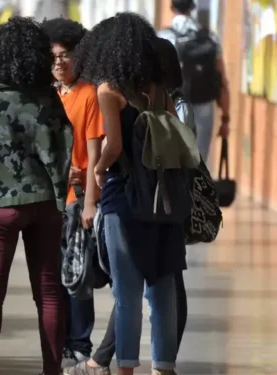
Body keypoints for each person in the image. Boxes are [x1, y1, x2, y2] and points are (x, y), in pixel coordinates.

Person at [63, 37, 190, 375]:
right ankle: (163, 368)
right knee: (163, 288)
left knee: (128, 292)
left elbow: (114, 146)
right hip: (164, 196)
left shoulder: (109, 90)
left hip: (126, 199)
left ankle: (126, 369)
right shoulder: (158, 91)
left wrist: (100, 168)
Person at [0, 16, 73, 375]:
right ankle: (53, 369)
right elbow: (62, 143)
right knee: (49, 292)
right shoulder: (48, 97)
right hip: (45, 202)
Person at [40, 17, 103, 369]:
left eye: (66, 55)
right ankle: (60, 342)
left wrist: (90, 201)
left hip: (76, 199)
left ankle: (79, 343)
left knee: (77, 277)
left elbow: (94, 155)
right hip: (47, 201)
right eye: (53, 57)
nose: (60, 63)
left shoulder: (89, 95)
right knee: (53, 277)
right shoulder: (45, 95)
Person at [157, 0, 230, 161]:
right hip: (204, 102)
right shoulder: (210, 38)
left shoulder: (162, 37)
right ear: (192, 8)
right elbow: (222, 81)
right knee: (199, 156)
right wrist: (225, 118)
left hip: (172, 103)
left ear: (172, 8)